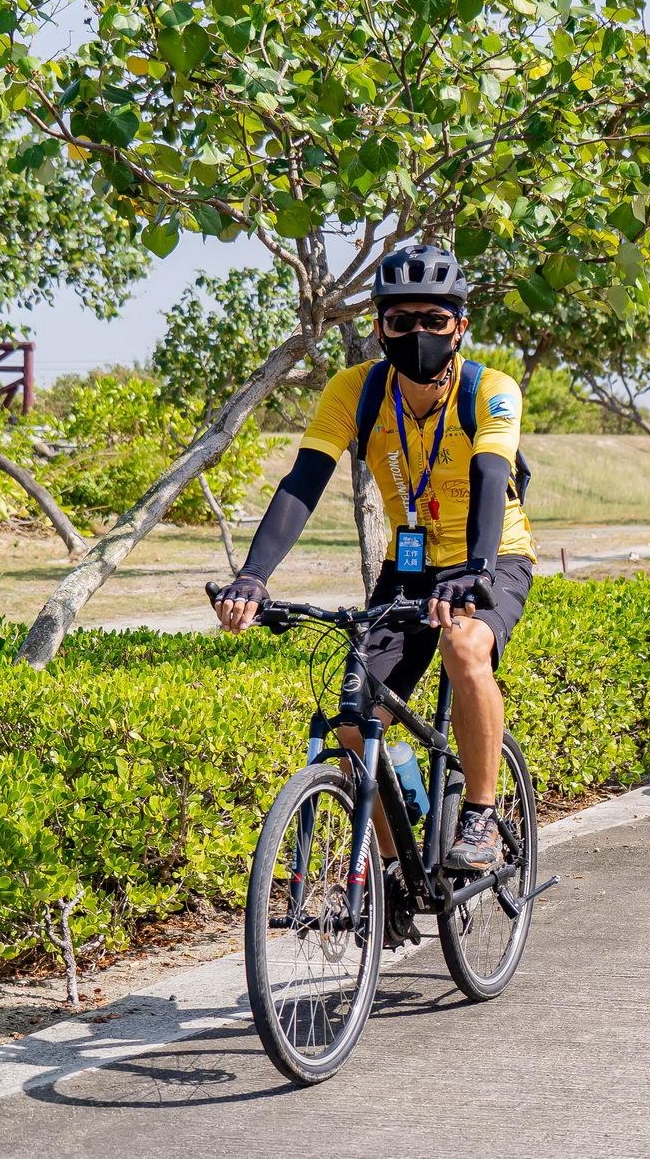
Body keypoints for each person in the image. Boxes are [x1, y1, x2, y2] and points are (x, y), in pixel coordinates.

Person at [211, 242, 538, 873]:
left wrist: (475, 570)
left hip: (492, 556)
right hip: (409, 566)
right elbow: (304, 481)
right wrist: (253, 575)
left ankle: (481, 814)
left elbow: (493, 474)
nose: (418, 333)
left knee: (465, 647)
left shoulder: (490, 390)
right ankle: (393, 872)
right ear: (380, 326)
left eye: (434, 320)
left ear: (460, 325)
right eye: (401, 320)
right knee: (355, 721)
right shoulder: (353, 391)